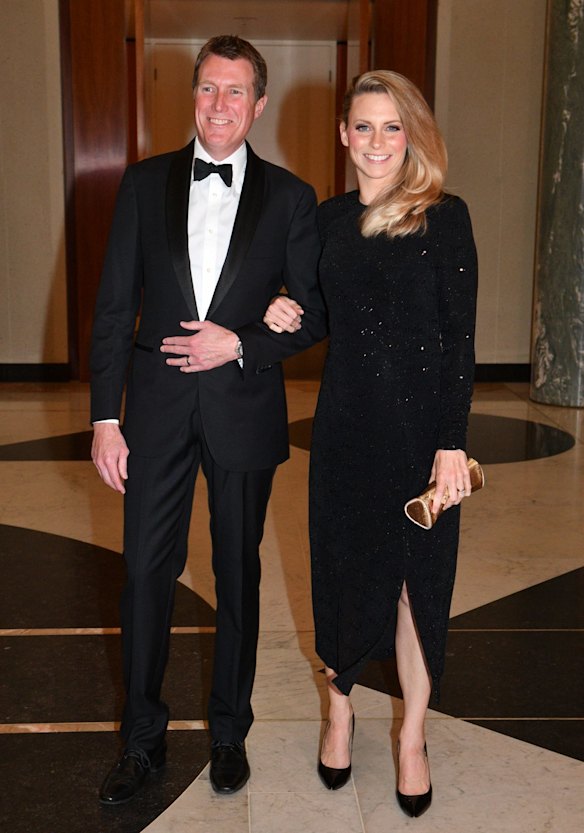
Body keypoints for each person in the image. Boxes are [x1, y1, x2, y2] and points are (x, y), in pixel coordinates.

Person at [90, 35, 326, 804]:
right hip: (154, 413)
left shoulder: (291, 197)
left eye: (235, 91)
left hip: (243, 411)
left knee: (237, 574)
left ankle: (229, 732)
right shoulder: (142, 183)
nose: (219, 105)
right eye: (207, 88)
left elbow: (314, 308)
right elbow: (114, 305)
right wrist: (105, 417)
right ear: (192, 96)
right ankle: (141, 740)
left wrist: (244, 340)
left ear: (259, 104)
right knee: (143, 574)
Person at [265, 70, 478, 817]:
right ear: (344, 135)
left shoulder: (444, 217)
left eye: (393, 127)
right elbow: (323, 315)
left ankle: (412, 736)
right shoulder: (328, 220)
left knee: (419, 588)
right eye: (364, 126)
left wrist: (451, 444)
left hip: (422, 439)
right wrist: (287, 312)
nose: (377, 141)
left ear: (411, 136)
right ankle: (341, 709)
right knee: (343, 576)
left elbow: (459, 341)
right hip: (347, 429)